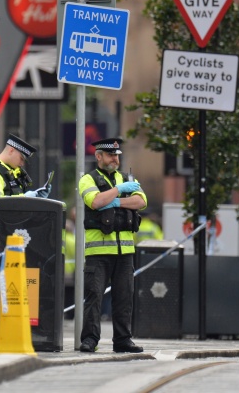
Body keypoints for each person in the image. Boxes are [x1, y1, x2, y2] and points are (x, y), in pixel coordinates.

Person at [77, 137, 147, 354]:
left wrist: (115, 201)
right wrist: (118, 191)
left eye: (117, 155)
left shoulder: (127, 178)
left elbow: (141, 201)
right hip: (98, 252)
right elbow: (95, 202)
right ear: (99, 156)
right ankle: (90, 339)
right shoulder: (87, 179)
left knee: (124, 298)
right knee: (94, 297)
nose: (115, 159)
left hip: (125, 252)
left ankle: (123, 340)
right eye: (110, 155)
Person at [0, 134, 48, 199]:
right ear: (11, 150)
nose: (22, 164)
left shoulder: (13, 172)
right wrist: (25, 198)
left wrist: (37, 198)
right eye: (21, 159)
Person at [62, 207, 77, 319]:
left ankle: (63, 312)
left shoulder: (61, 240)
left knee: (61, 294)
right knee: (70, 295)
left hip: (61, 271)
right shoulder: (74, 240)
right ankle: (71, 313)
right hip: (71, 272)